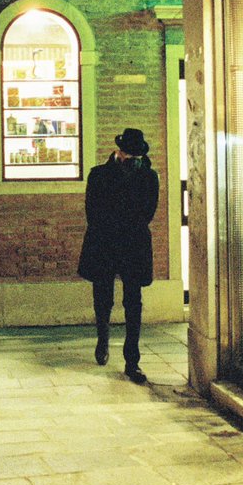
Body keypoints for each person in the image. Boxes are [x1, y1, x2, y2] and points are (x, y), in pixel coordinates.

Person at [78, 128, 159, 384]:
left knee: (133, 302)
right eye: (127, 154)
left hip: (132, 244)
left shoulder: (148, 176)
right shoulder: (99, 174)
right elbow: (92, 210)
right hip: (104, 242)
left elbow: (149, 212)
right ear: (118, 151)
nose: (130, 159)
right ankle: (103, 339)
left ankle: (131, 359)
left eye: (134, 156)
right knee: (103, 298)